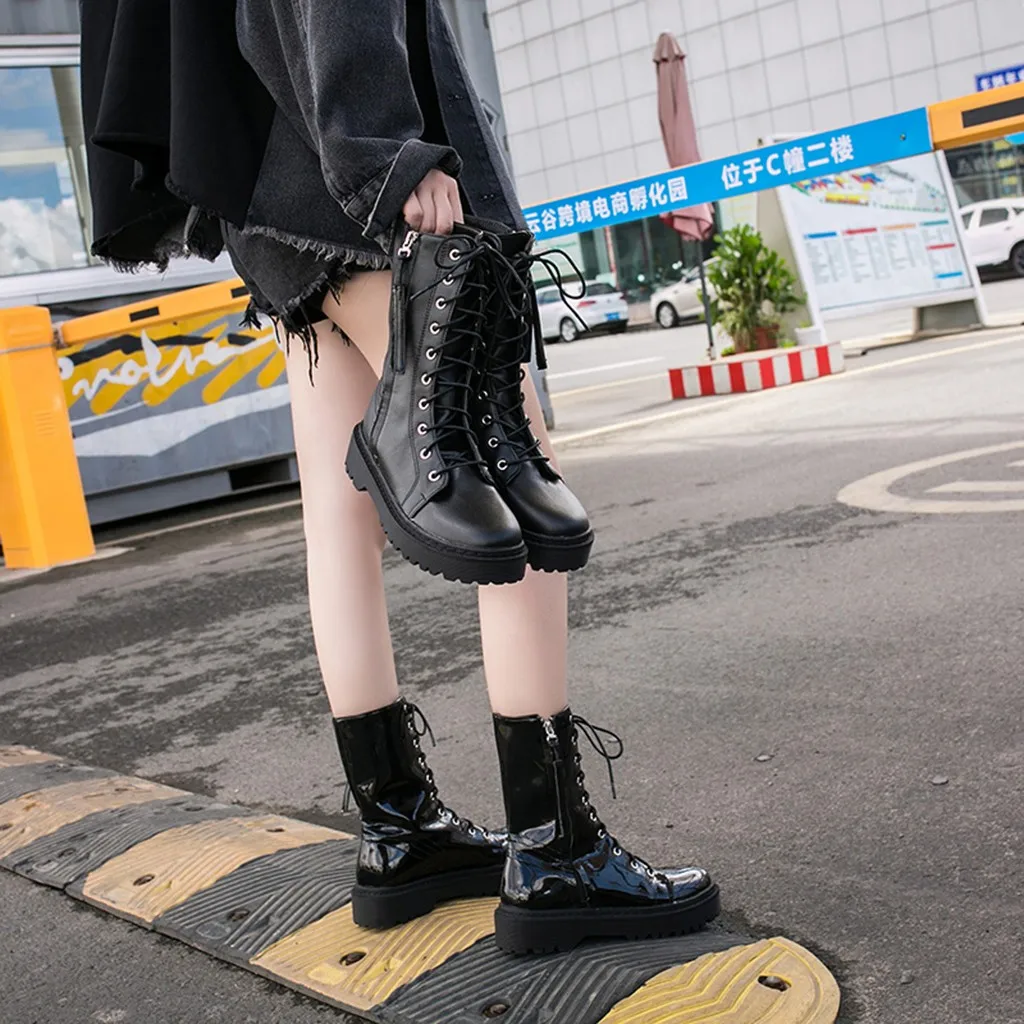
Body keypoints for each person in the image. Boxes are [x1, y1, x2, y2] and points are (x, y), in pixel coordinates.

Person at [79, 0, 719, 955]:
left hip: (266, 182)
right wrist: (388, 154)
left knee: (340, 519)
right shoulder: (381, 159)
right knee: (511, 473)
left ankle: (398, 828)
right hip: (370, 178)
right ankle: (556, 853)